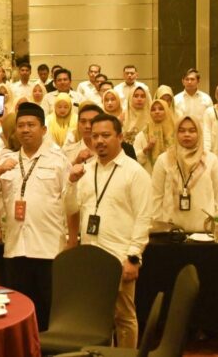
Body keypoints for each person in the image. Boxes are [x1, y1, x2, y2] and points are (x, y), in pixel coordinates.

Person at [0, 102, 71, 332]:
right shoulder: (6, 160)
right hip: (15, 249)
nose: (25, 130)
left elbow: (71, 203)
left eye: (31, 125)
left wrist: (71, 241)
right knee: (18, 310)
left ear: (43, 129)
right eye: (21, 125)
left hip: (49, 249)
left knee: (48, 312)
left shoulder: (58, 161)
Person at [64, 113, 154, 348]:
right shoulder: (86, 170)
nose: (99, 141)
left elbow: (144, 218)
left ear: (120, 137)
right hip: (90, 256)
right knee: (94, 317)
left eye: (105, 135)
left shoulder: (135, 172)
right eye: (95, 136)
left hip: (119, 256)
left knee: (123, 318)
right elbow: (71, 208)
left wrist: (133, 257)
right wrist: (71, 182)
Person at [151, 115, 218, 232]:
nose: (187, 134)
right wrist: (159, 226)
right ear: (176, 133)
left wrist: (216, 225)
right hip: (171, 231)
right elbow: (156, 196)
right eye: (182, 131)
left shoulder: (211, 160)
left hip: (204, 230)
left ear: (199, 133)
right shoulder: (164, 159)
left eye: (192, 131)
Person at [134, 99, 175, 174]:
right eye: (153, 110)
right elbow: (135, 159)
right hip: (149, 175)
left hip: (173, 175)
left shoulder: (176, 132)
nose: (157, 112)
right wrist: (147, 148)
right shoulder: (143, 134)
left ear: (167, 111)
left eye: (161, 109)